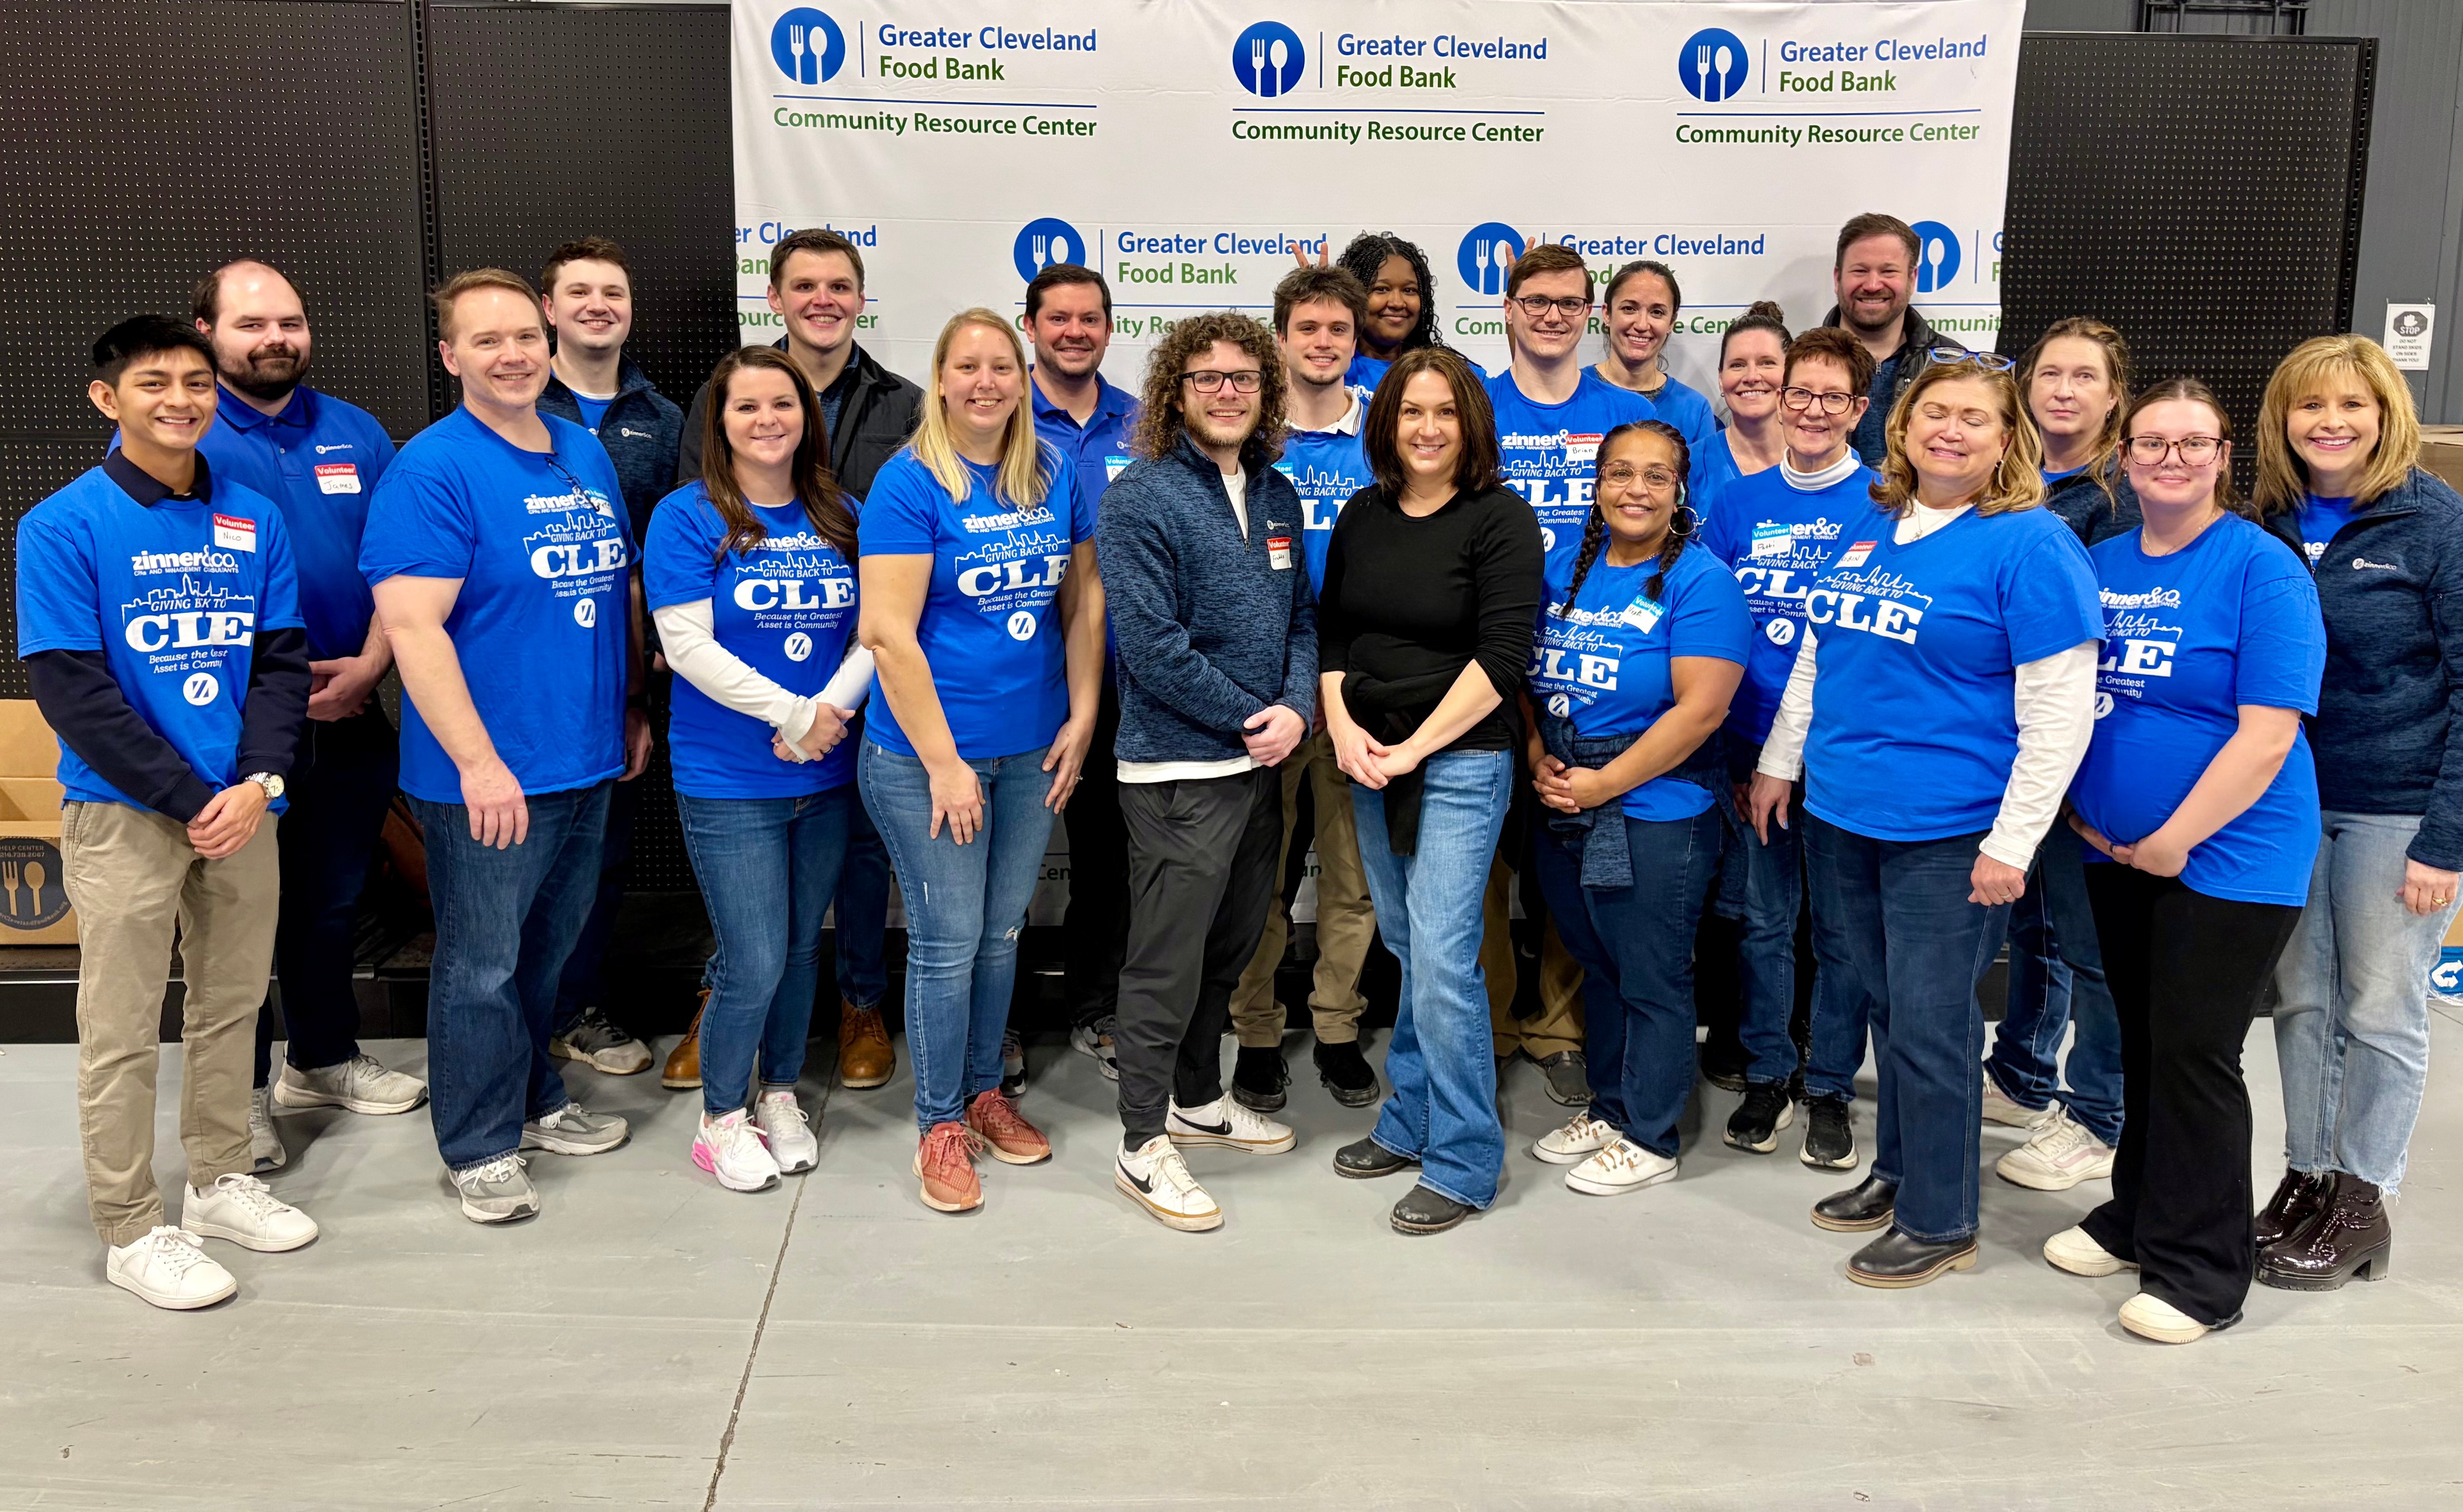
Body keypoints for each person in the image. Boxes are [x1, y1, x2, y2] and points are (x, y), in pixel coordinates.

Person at [1749, 356, 2102, 1288]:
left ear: (2006, 438)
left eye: (1974, 419)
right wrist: (1782, 760)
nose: (1950, 431)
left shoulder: (2030, 544)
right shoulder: (1873, 519)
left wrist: (2013, 842)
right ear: (1902, 425)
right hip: (1843, 812)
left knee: (1937, 1020)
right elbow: (1820, 651)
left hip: (1950, 832)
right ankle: (1900, 1171)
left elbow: (2060, 710)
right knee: (1885, 1004)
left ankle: (1942, 1217)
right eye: (1934, 413)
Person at [20, 316, 317, 1307]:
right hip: (128, 811)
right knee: (120, 1024)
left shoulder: (250, 517)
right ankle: (131, 1224)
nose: (181, 400)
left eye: (196, 382)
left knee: (232, 999)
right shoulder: (63, 525)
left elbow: (279, 662)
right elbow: (73, 688)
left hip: (243, 804)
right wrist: (197, 799)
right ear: (108, 399)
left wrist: (258, 785)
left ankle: (220, 1177)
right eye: (155, 383)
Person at [361, 269, 652, 1224]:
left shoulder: (580, 450)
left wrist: (629, 707)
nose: (514, 354)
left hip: (583, 757)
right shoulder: (432, 469)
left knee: (544, 954)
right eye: (486, 341)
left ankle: (534, 1099)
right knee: (480, 963)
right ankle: (479, 1143)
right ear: (450, 357)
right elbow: (414, 629)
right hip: (485, 773)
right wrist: (481, 763)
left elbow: (612, 594)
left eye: (525, 335)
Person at [2051, 378, 2323, 1344]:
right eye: (2152, 442)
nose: (2171, 457)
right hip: (2113, 849)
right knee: (2142, 1041)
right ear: (2124, 457)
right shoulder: (2101, 559)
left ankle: (2206, 1269)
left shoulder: (2261, 568)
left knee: (2198, 1054)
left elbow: (2266, 733)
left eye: (2192, 442)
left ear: (2221, 458)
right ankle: (2138, 1216)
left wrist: (2175, 837)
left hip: (2232, 856)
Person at [856, 308, 1102, 1215]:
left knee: (1002, 934)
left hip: (1031, 748)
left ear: (1022, 373)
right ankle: (938, 1120)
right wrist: (945, 762)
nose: (987, 382)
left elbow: (1083, 602)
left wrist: (1081, 713)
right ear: (942, 377)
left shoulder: (1053, 471)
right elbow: (887, 632)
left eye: (1002, 365)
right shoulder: (910, 480)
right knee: (949, 939)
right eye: (968, 366)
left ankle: (982, 1091)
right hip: (930, 756)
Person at [186, 260, 426, 1168]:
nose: (274, 338)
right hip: (236, 725)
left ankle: (321, 1058)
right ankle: (237, 1096)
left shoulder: (358, 434)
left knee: (330, 905)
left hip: (354, 705)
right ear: (207, 331)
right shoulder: (190, 434)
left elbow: (404, 562)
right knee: (233, 916)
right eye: (251, 323)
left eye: (289, 320)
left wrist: (372, 662)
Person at [673, 228, 919, 1096]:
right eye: (804, 284)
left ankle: (847, 1015)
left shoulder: (902, 408)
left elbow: (886, 608)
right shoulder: (697, 489)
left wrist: (827, 711)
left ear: (860, 297)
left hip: (849, 722)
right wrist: (790, 713)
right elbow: (684, 620)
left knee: (847, 877)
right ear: (774, 297)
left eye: (841, 284)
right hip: (742, 739)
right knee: (756, 937)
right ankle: (725, 1020)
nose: (824, 298)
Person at [2250, 333, 2463, 1291]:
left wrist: (2445, 839)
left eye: (2352, 405)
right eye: (2309, 406)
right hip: (2288, 803)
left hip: (2396, 813)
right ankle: (2304, 1175)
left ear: (2386, 415)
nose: (2330, 423)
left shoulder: (2435, 523)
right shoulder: (2265, 519)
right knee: (2304, 999)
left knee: (2381, 1007)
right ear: (2283, 420)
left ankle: (2362, 1200)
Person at [1099, 311, 1316, 1230]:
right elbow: (1151, 647)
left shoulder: (1277, 493)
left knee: (1229, 949)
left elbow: (1301, 618)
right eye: (1207, 378)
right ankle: (1143, 1141)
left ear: (1266, 391)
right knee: (1167, 962)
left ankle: (1197, 1097)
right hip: (1178, 771)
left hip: (1260, 763)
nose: (1228, 392)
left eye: (1244, 378)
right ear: (1173, 392)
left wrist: (1294, 708)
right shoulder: (1139, 496)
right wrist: (1250, 716)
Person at [1321, 347, 1544, 1235]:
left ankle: (1463, 1158)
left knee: (1447, 958)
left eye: (1445, 412)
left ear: (1471, 426)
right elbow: (1334, 630)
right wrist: (1341, 728)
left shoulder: (1501, 520)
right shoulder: (1363, 514)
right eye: (1411, 411)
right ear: (1387, 422)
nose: (1426, 427)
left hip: (1457, 760)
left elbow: (1502, 661)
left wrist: (1414, 746)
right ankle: (1410, 1119)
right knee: (1414, 948)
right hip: (1370, 758)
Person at [644, 346, 868, 1192]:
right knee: (752, 955)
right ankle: (720, 1118)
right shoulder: (688, 516)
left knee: (800, 947)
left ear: (807, 417)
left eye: (785, 403)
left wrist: (828, 713)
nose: (768, 419)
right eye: (747, 406)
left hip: (824, 770)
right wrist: (792, 714)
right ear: (720, 420)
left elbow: (874, 633)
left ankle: (779, 1092)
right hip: (729, 775)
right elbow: (685, 644)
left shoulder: (842, 513)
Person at [1524, 421, 1749, 1196]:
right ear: (1597, 485)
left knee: (1651, 972)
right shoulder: (1564, 570)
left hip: (1655, 806)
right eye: (1620, 473)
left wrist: (1604, 782)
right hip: (1564, 796)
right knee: (1600, 962)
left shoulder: (1701, 581)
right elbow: (1523, 674)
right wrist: (1536, 755)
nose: (1636, 490)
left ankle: (1651, 1135)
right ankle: (1613, 1104)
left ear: (1680, 491)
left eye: (1656, 476)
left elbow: (1700, 713)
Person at [1698, 326, 1878, 1167]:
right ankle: (1771, 1071)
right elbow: (1709, 620)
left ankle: (1831, 1085)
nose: (1810, 410)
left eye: (1830, 397)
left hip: (1842, 751)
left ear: (1859, 410)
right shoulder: (1736, 503)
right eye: (1797, 392)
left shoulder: (1886, 504)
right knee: (1765, 923)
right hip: (1748, 746)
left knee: (1838, 933)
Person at [1481, 242, 1656, 1106]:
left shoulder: (1625, 411)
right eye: (1535, 300)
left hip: (1590, 676)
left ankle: (1558, 1026)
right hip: (1484, 666)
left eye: (1567, 302)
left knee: (1573, 865)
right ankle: (1490, 1023)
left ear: (1589, 314)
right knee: (1481, 865)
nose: (1550, 315)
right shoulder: (1476, 405)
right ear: (1508, 309)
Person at [1982, 317, 2141, 1195]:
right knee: (2034, 926)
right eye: (2050, 374)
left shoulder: (2118, 498)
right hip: (2004, 746)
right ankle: (2022, 1074)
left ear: (2114, 396)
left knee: (2087, 944)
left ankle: (2098, 1115)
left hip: (2090, 749)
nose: (2064, 390)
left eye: (2085, 377)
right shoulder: (2005, 488)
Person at [1227, 265, 1382, 1113]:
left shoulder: (1382, 434)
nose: (1323, 343)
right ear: (1280, 335)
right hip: (1267, 685)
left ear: (1356, 343)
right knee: (1262, 874)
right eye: (1309, 328)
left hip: (1360, 685)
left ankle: (1335, 1026)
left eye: (1339, 331)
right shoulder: (1249, 436)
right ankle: (1255, 1029)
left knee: (1352, 878)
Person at [534, 236, 684, 1080]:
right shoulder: (514, 404)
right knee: (520, 851)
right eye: (579, 291)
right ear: (548, 308)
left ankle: (575, 1009)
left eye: (613, 293)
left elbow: (672, 544)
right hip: (519, 670)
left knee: (603, 849)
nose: (598, 305)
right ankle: (522, 1017)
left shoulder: (661, 422)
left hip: (624, 671)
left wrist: (654, 654)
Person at [1024, 263, 1138, 1090]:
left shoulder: (1144, 426)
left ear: (1108, 328)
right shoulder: (990, 421)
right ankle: (1000, 1023)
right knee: (1001, 867)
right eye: (1057, 318)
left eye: (1089, 318)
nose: (1074, 331)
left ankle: (1097, 1009)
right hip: (1017, 682)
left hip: (1122, 683)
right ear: (1031, 326)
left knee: (1109, 860)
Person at [1823, 213, 1967, 464]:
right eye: (1860, 271)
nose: (1872, 284)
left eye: (1888, 271)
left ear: (1912, 279)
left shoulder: (1954, 366)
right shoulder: (1800, 365)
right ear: (1838, 278)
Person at [1590, 260, 1721, 461]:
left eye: (1657, 312)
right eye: (1629, 309)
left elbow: (1702, 490)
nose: (1642, 325)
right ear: (1607, 314)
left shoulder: (1694, 409)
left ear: (1672, 322)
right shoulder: (1571, 391)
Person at [1691, 301, 1792, 511]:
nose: (1752, 377)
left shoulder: (1817, 460)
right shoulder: (1690, 465)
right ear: (1721, 378)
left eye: (1767, 363)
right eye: (1737, 365)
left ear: (1791, 373)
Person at [1335, 232, 1447, 391]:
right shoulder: (1329, 367)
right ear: (1353, 295)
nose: (1397, 303)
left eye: (1409, 290)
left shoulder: (1446, 375)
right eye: (1382, 289)